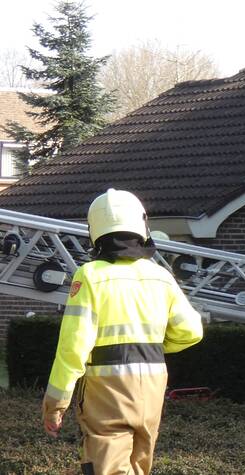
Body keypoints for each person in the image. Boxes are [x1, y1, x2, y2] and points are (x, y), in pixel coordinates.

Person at [41, 188, 204, 475]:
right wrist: (149, 347)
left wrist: (56, 404)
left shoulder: (90, 275)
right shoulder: (162, 276)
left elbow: (73, 349)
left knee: (107, 467)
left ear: (95, 230)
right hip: (153, 384)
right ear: (142, 226)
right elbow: (191, 331)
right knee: (140, 465)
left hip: (107, 389)